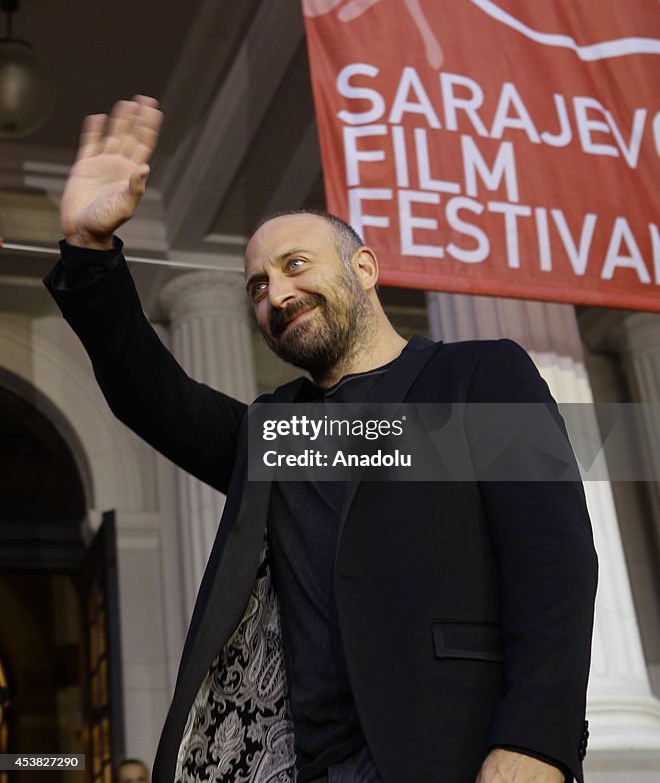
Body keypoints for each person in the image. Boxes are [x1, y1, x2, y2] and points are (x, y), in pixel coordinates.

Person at [44, 96, 598, 783]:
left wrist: (538, 741)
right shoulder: (277, 433)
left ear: (363, 269)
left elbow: (555, 564)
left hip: (453, 754)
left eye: (296, 265)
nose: (276, 294)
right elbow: (152, 396)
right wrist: (91, 253)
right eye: (257, 287)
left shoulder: (480, 375)